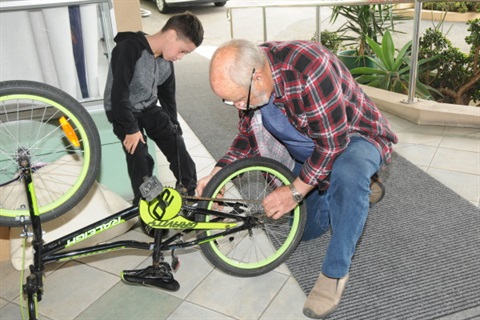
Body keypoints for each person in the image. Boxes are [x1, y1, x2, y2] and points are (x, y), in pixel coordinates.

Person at [196, 39, 398, 318]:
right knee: (306, 231)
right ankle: (349, 190)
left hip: (354, 138)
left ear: (258, 76)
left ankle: (335, 273)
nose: (237, 106)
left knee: (347, 173)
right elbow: (247, 138)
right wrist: (218, 174)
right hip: (310, 151)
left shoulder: (309, 66)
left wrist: (294, 191)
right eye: (229, 100)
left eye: (239, 99)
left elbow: (332, 146)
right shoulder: (252, 82)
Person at [104, 12, 203, 235]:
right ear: (170, 35)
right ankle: (147, 211)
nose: (181, 56)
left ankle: (188, 196)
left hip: (148, 107)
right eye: (182, 51)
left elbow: (168, 98)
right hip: (122, 110)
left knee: (176, 144)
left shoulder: (166, 62)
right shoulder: (129, 48)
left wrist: (174, 127)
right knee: (139, 156)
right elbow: (119, 93)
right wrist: (131, 129)